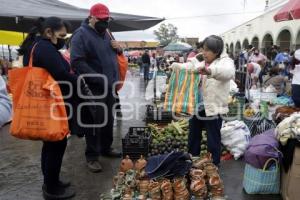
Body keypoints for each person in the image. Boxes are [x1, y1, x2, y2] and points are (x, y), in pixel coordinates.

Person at [18, 17, 76, 199]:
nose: (63, 39)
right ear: (49, 32)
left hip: (47, 103)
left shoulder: (37, 46)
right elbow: (61, 74)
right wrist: (80, 79)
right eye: (61, 35)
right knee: (57, 144)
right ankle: (51, 188)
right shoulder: (44, 48)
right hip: (51, 105)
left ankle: (51, 180)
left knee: (50, 144)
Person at [71, 3, 121, 173]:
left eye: (107, 20)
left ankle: (105, 148)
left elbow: (115, 52)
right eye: (101, 20)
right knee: (94, 122)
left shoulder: (106, 32)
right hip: (93, 87)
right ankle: (92, 156)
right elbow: (77, 61)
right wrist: (99, 79)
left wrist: (119, 49)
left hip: (109, 86)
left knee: (108, 120)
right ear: (91, 17)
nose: (104, 23)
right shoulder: (80, 35)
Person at [188, 35, 235, 165]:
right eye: (203, 49)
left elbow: (228, 73)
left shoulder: (226, 61)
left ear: (216, 51)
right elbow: (190, 64)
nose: (204, 52)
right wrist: (178, 67)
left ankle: (213, 165)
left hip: (214, 107)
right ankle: (193, 161)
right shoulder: (202, 59)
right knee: (193, 135)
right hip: (198, 105)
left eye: (207, 50)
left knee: (213, 138)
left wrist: (210, 71)